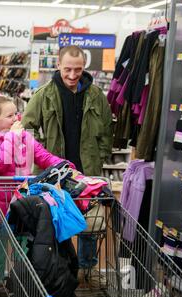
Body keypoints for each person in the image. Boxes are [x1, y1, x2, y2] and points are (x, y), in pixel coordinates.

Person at [21, 45, 113, 282]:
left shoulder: (97, 96)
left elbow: (106, 131)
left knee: (89, 224)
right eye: (68, 70)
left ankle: (87, 270)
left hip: (86, 172)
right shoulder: (43, 95)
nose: (73, 75)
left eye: (78, 70)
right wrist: (42, 152)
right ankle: (58, 269)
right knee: (52, 222)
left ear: (84, 68)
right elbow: (27, 128)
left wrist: (99, 156)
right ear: (58, 65)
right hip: (54, 174)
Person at [0, 96, 73, 295]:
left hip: (24, 205)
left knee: (23, 251)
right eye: (10, 115)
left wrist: (66, 166)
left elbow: (44, 156)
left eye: (16, 114)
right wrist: (11, 138)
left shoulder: (25, 137)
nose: (16, 119)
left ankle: (20, 283)